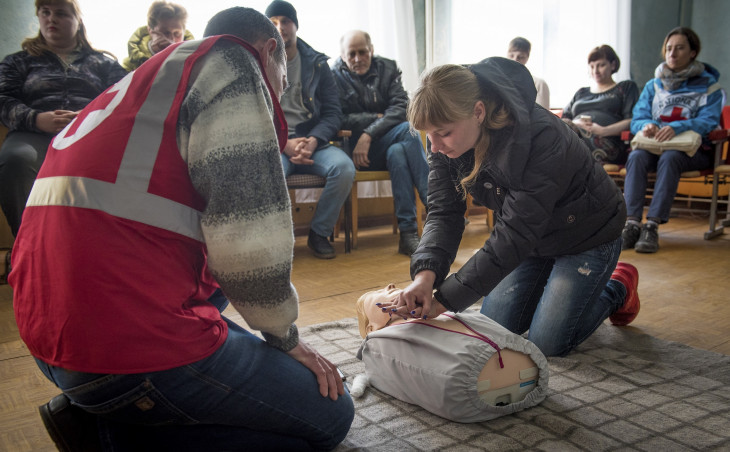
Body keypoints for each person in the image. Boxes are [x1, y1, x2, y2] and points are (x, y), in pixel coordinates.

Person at [10, 6, 353, 451]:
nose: (281, 89)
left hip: (47, 337)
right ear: (271, 51)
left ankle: (109, 411)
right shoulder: (236, 65)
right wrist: (286, 340)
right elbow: (250, 241)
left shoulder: (148, 77)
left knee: (221, 300)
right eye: (283, 77)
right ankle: (109, 437)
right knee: (329, 417)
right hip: (119, 355)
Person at [382, 58, 641, 358]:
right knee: (495, 327)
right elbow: (443, 212)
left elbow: (515, 234)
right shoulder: (443, 137)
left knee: (548, 341)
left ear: (478, 112)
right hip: (534, 240)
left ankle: (617, 286)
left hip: (587, 235)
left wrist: (444, 301)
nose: (435, 146)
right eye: (428, 135)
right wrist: (424, 277)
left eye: (443, 133)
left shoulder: (541, 137)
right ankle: (552, 286)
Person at [0, 0, 127, 238]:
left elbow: (124, 96)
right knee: (17, 160)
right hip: (32, 132)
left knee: (115, 163)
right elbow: (3, 98)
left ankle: (95, 246)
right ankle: (28, 245)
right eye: (45, 13)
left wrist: (88, 117)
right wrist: (36, 119)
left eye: (61, 13)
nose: (51, 18)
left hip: (89, 133)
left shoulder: (103, 63)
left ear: (78, 22)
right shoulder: (18, 61)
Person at [354, 284, 549, 423]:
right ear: (372, 327)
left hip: (493, 361)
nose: (390, 285)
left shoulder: (432, 310)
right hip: (469, 379)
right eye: (379, 292)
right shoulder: (382, 340)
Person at [265, 0, 355, 259]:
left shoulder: (317, 63)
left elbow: (333, 113)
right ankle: (278, 240)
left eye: (285, 21)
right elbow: (255, 113)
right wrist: (284, 144)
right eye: (272, 23)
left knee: (345, 168)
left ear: (296, 25)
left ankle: (319, 234)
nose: (280, 27)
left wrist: (314, 140)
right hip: (277, 145)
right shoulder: (258, 62)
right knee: (268, 172)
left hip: (315, 143)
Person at [622, 27, 725, 254]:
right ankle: (631, 223)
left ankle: (652, 225)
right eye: (669, 49)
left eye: (680, 48)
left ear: (693, 52)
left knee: (671, 158)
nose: (673, 54)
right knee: (637, 156)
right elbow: (638, 117)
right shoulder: (653, 85)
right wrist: (646, 125)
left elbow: (708, 121)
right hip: (654, 145)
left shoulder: (710, 86)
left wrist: (676, 127)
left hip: (693, 150)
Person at [332, 30, 429, 256]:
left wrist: (368, 133)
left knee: (398, 150)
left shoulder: (388, 68)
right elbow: (336, 117)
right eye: (352, 54)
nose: (358, 59)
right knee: (407, 131)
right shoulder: (332, 76)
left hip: (383, 143)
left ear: (371, 50)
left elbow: (401, 108)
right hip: (354, 152)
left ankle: (407, 234)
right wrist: (372, 120)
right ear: (343, 55)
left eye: (362, 52)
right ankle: (436, 205)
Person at [561, 45, 639, 164]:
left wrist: (603, 130)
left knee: (563, 144)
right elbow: (564, 121)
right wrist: (577, 124)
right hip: (575, 138)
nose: (595, 71)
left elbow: (631, 120)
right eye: (592, 66)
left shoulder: (625, 88)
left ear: (613, 65)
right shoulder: (581, 92)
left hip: (608, 143)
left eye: (601, 65)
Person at [121, 1, 194, 71]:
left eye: (177, 33)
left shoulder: (194, 61)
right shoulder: (130, 64)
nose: (172, 39)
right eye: (166, 33)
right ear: (150, 30)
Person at [506, 37, 550, 109]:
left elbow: (543, 116)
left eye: (520, 57)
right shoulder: (497, 81)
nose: (515, 60)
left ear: (527, 58)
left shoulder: (538, 84)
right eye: (511, 55)